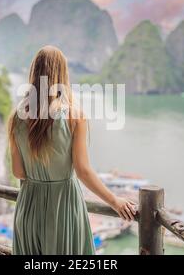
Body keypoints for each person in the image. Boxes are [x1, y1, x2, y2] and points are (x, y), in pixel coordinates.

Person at [8, 45, 136, 255]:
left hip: (28, 208)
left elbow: (18, 172)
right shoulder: (73, 116)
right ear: (62, 75)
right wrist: (115, 201)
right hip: (63, 207)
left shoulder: (16, 117)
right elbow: (83, 171)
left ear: (33, 73)